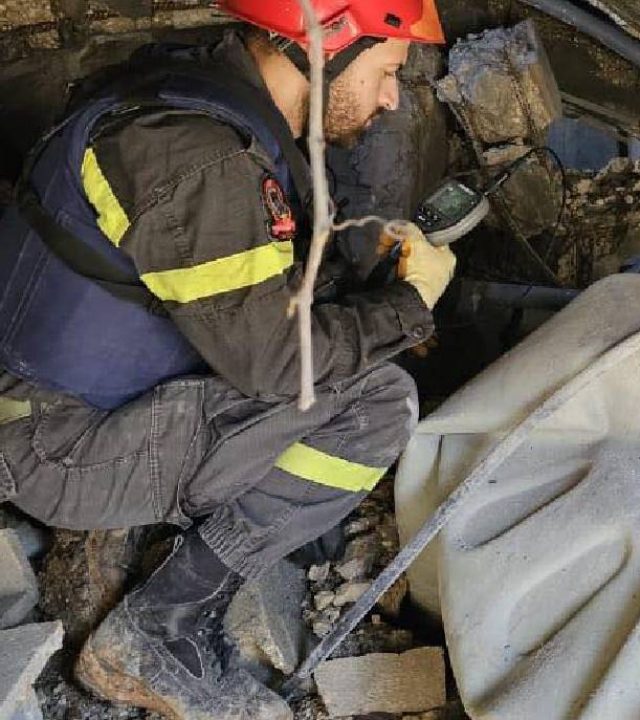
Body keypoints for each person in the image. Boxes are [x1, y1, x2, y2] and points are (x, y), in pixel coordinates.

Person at [0, 1, 454, 717]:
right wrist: (411, 305)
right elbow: (276, 365)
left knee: (355, 364)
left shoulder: (194, 103)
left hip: (63, 399)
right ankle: (160, 624)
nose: (392, 97)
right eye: (387, 70)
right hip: (55, 446)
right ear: (327, 42)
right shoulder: (196, 157)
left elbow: (249, 291)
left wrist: (375, 296)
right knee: (377, 403)